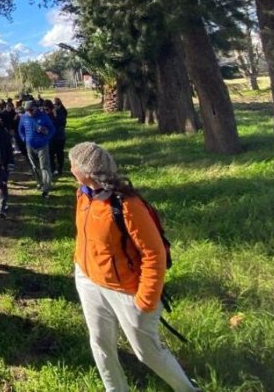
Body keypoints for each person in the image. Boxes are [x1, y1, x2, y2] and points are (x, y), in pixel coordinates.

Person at [70, 143, 199, 392]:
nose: (70, 168)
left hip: (125, 290)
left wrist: (146, 299)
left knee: (147, 353)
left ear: (87, 171)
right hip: (88, 280)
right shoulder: (82, 194)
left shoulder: (127, 205)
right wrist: (80, 267)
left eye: (73, 164)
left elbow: (154, 253)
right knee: (100, 343)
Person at [18, 100, 55, 197]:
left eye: (31, 109)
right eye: (27, 110)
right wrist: (24, 139)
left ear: (36, 108)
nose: (29, 112)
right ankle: (39, 182)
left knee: (44, 166)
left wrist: (46, 138)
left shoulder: (43, 116)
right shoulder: (24, 117)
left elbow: (52, 129)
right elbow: (20, 130)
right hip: (29, 146)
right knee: (35, 166)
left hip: (42, 146)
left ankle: (46, 188)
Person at [52, 98, 68, 175]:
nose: (54, 106)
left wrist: (55, 115)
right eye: (54, 104)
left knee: (59, 153)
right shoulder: (52, 112)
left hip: (60, 136)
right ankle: (53, 168)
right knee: (52, 153)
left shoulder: (62, 112)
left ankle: (60, 169)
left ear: (59, 105)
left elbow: (62, 123)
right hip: (52, 137)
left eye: (56, 104)